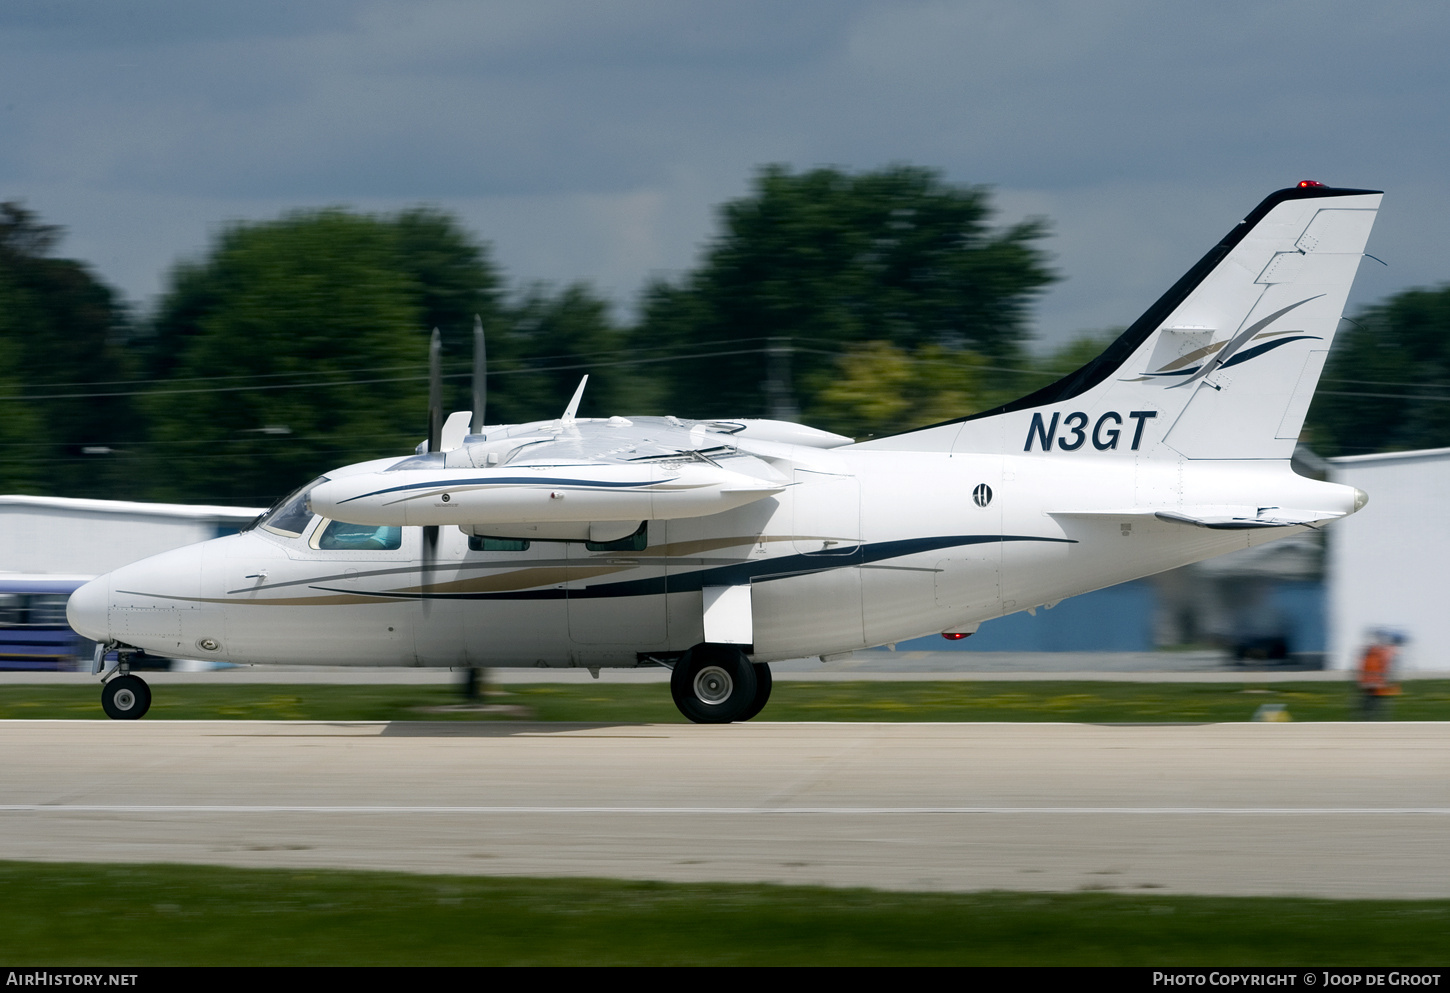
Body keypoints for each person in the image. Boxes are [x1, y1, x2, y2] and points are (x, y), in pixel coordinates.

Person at [1357, 629, 1403, 720]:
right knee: (1377, 706)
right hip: (1377, 683)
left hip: (1368, 683)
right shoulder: (1382, 651)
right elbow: (1387, 668)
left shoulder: (1368, 651)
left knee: (1369, 705)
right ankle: (1374, 721)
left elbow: (1362, 666)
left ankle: (1368, 721)